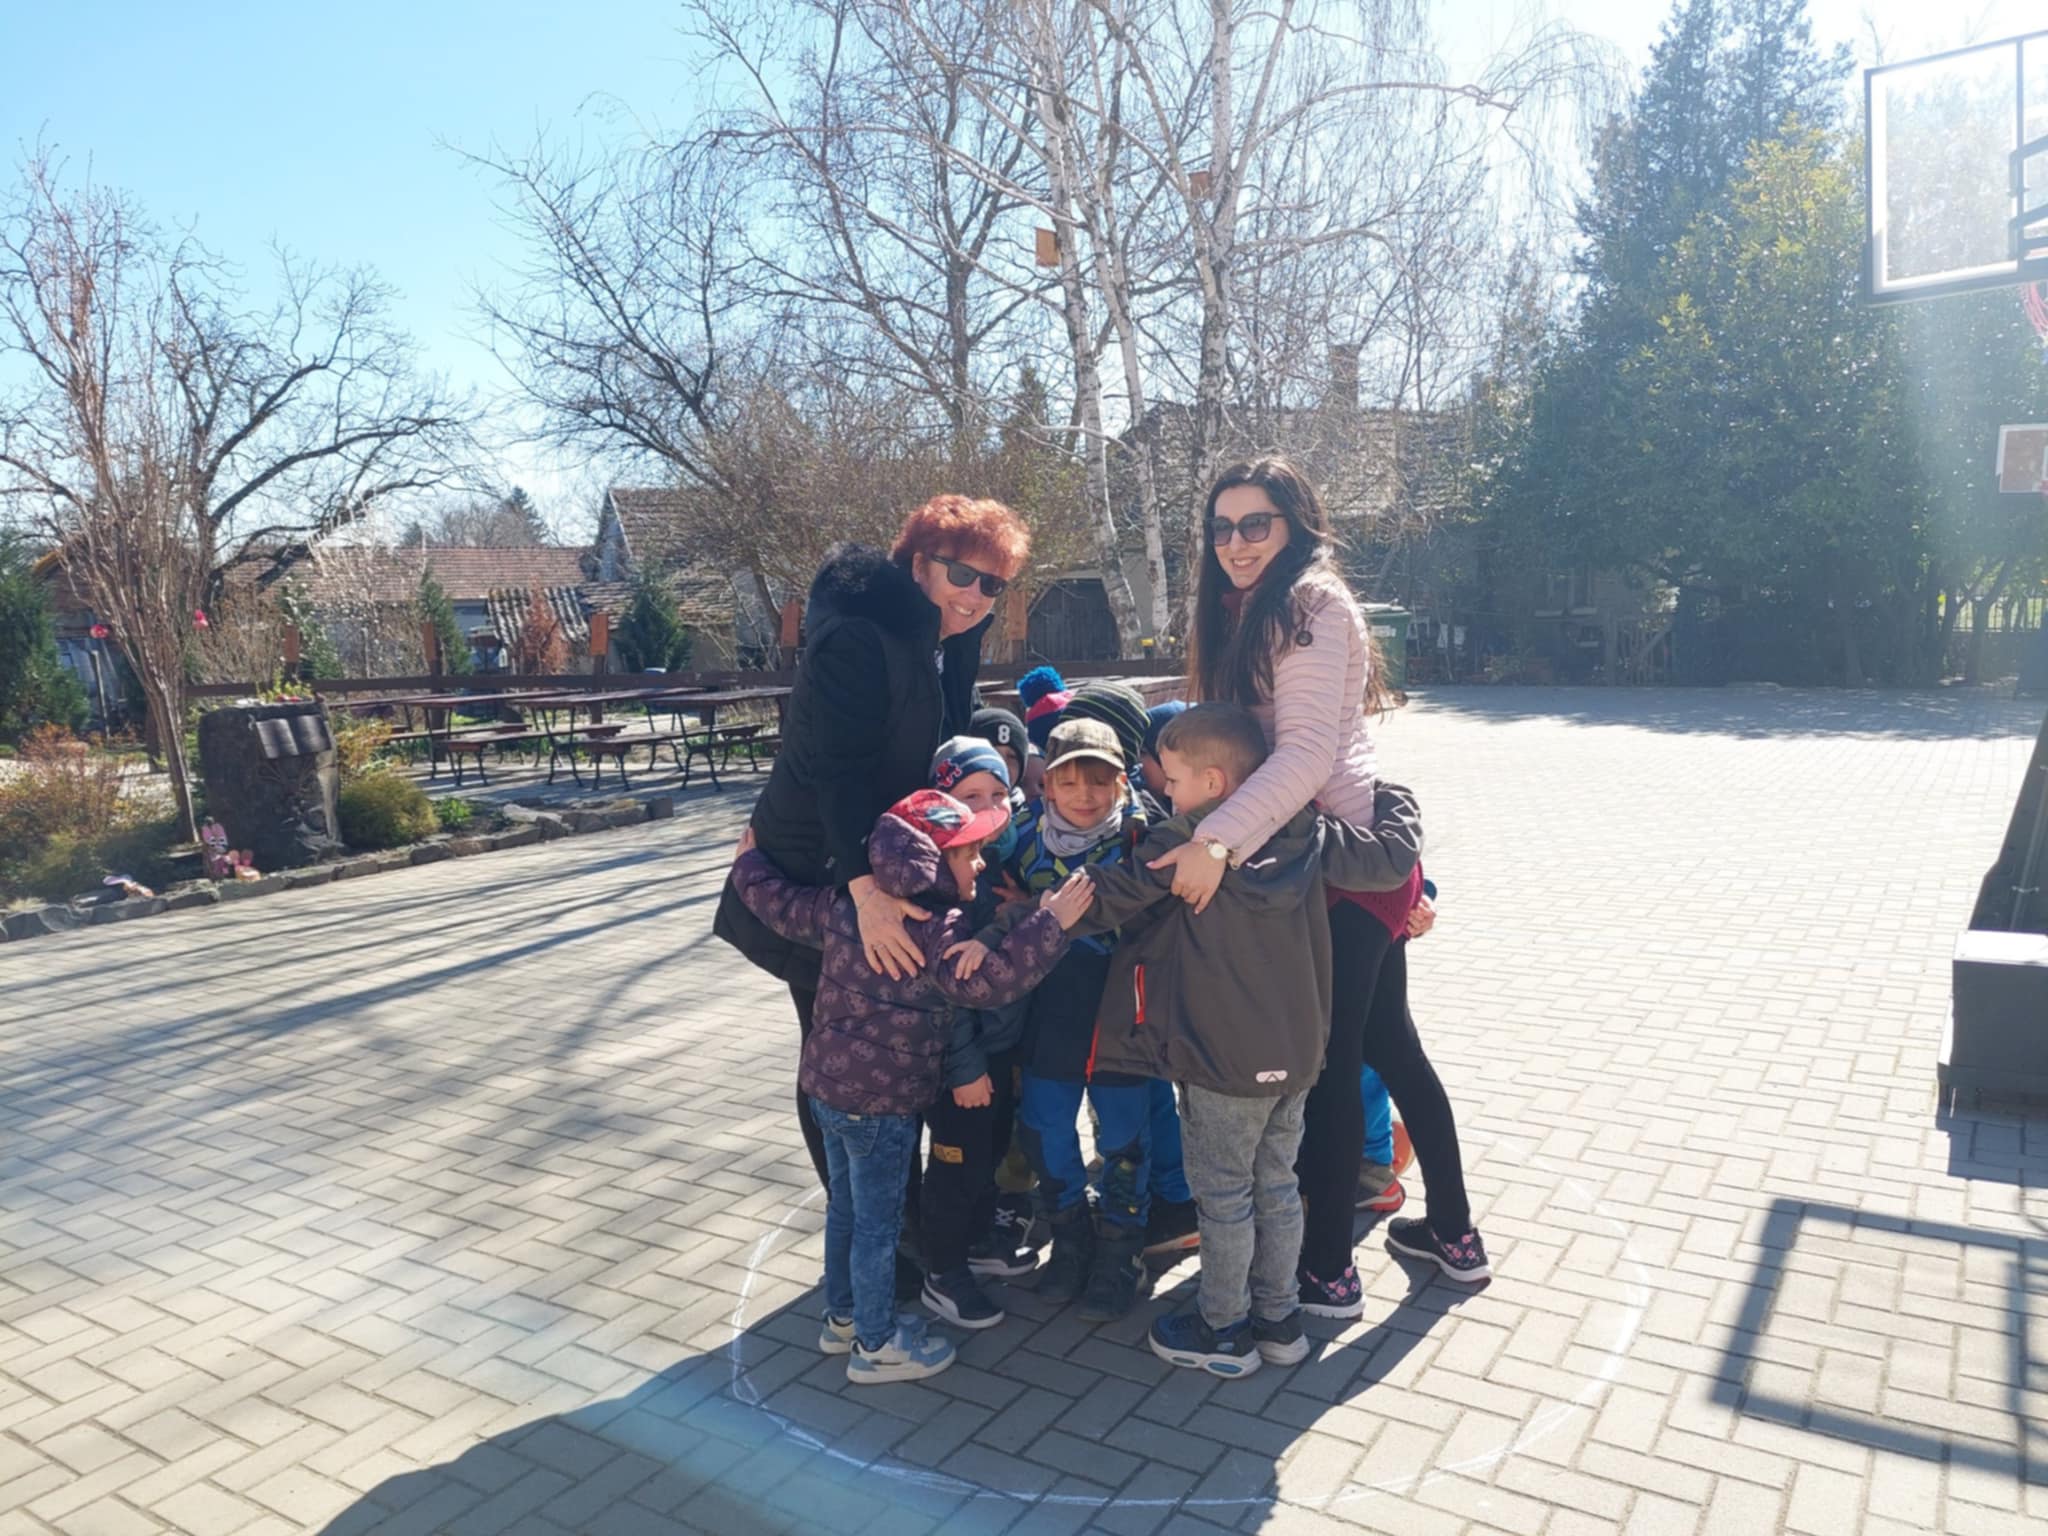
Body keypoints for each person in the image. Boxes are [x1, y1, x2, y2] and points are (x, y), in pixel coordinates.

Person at [1145, 457, 1490, 1312]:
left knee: (1329, 1065)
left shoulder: (1309, 605)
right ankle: (1453, 1232)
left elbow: (1304, 756)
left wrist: (1214, 842)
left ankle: (1328, 1269)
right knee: (1389, 1046)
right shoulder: (1251, 609)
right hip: (1336, 857)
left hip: (1339, 866)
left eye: (1254, 525)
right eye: (1221, 528)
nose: (1235, 543)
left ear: (1295, 526)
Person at [1052, 703, 1423, 1376]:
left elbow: (1107, 896)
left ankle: (1222, 1327)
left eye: (1174, 780)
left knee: (1223, 1196)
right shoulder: (1309, 828)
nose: (1166, 792)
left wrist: (1033, 921)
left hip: (1220, 1062)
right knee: (1277, 1184)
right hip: (1299, 1054)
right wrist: (1391, 795)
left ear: (1216, 783)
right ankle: (1279, 1320)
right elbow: (1391, 860)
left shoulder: (1189, 841)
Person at [711, 497, 1030, 1267]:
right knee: (840, 1059)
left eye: (993, 584)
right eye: (962, 575)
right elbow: (840, 773)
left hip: (894, 860)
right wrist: (865, 896)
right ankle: (878, 1246)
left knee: (899, 1050)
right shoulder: (858, 636)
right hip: (823, 868)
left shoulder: (948, 638)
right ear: (918, 565)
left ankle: (910, 1229)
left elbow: (946, 748)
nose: (976, 596)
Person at [728, 791, 1092, 1382]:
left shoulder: (849, 906)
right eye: (969, 853)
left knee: (846, 1209)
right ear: (931, 863)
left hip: (826, 1088)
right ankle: (875, 1345)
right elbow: (985, 982)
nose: (981, 863)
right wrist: (1052, 924)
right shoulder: (935, 927)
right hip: (883, 1105)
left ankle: (842, 1316)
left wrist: (747, 865)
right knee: (878, 1224)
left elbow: (780, 904)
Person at [960, 717, 1153, 1321]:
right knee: (1044, 1127)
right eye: (1069, 782)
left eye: (1100, 781)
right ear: (1046, 786)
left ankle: (1121, 1249)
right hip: (1048, 1015)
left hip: (1123, 1020)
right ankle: (1071, 1237)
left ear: (1122, 783)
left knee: (1124, 1138)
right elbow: (973, 882)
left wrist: (1043, 911)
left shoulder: (1143, 839)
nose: (1085, 795)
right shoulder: (1021, 837)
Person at [920, 736, 1032, 1322]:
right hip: (961, 1064)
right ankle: (942, 1269)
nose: (988, 807)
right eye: (970, 796)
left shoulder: (1002, 862)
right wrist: (964, 1069)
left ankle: (980, 1241)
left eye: (998, 793)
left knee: (987, 1154)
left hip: (1000, 1049)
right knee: (955, 1166)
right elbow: (947, 989)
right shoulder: (945, 875)